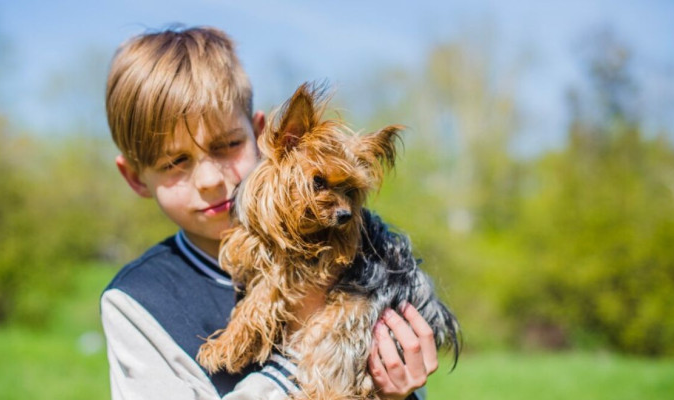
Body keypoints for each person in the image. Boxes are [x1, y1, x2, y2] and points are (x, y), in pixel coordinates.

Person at [101, 26, 439, 400]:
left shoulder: (355, 257)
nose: (211, 180)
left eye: (228, 144)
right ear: (134, 177)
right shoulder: (138, 302)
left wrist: (395, 393)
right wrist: (300, 357)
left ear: (266, 137)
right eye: (175, 162)